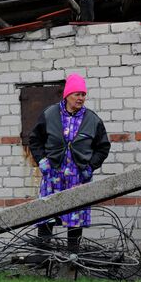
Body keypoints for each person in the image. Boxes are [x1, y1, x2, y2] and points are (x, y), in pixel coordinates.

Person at [28, 73, 111, 252]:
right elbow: (34, 140)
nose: (81, 98)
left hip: (77, 176)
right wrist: (42, 160)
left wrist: (90, 166)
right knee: (47, 214)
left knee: (75, 217)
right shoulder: (50, 114)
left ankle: (73, 255)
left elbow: (103, 147)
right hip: (53, 175)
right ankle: (43, 255)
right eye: (77, 94)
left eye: (83, 94)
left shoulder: (92, 119)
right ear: (67, 95)